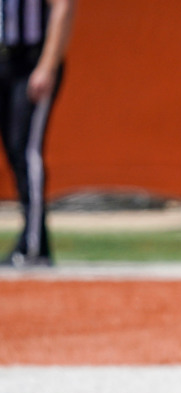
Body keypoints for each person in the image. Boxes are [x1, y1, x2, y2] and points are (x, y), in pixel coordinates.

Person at [0, 0, 76, 268]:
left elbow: (63, 6)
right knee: (12, 150)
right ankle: (33, 241)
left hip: (32, 62)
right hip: (5, 59)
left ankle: (34, 246)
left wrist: (47, 64)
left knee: (26, 150)